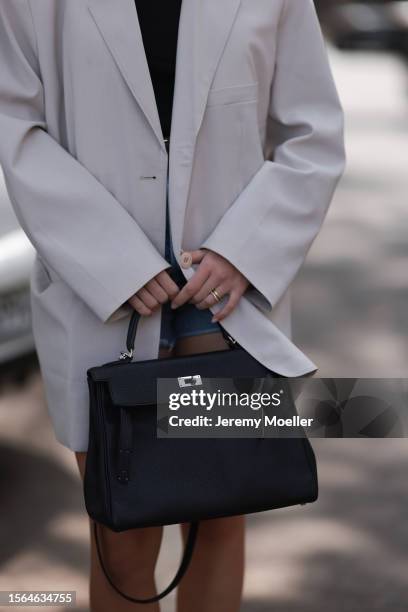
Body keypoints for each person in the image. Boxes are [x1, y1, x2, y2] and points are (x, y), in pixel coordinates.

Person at [0, 1, 346, 610]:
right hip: (101, 302)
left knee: (220, 520)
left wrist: (246, 250)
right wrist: (110, 259)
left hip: (221, 304)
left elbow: (311, 133)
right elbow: (15, 126)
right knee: (121, 535)